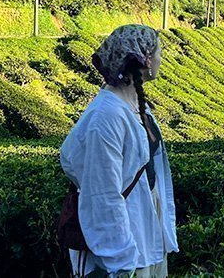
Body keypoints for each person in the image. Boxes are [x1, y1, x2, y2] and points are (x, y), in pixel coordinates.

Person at [60, 25, 178, 277]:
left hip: (147, 236)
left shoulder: (135, 106)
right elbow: (102, 194)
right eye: (159, 52)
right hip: (124, 249)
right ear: (145, 59)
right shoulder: (107, 117)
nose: (161, 59)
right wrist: (121, 259)